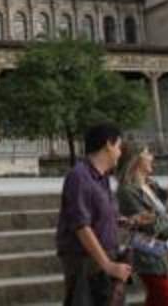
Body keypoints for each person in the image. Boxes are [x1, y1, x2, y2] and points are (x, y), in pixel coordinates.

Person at [55, 122, 132, 305]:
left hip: (103, 259)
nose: (120, 153)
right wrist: (108, 265)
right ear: (108, 145)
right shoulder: (79, 176)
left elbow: (98, 215)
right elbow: (81, 226)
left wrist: (122, 221)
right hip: (86, 263)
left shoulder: (103, 178)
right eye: (118, 147)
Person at [117, 146, 168, 306]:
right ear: (135, 160)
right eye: (147, 153)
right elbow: (151, 226)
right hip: (149, 255)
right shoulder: (127, 191)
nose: (152, 156)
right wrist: (165, 220)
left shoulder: (152, 185)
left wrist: (161, 219)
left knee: (156, 299)